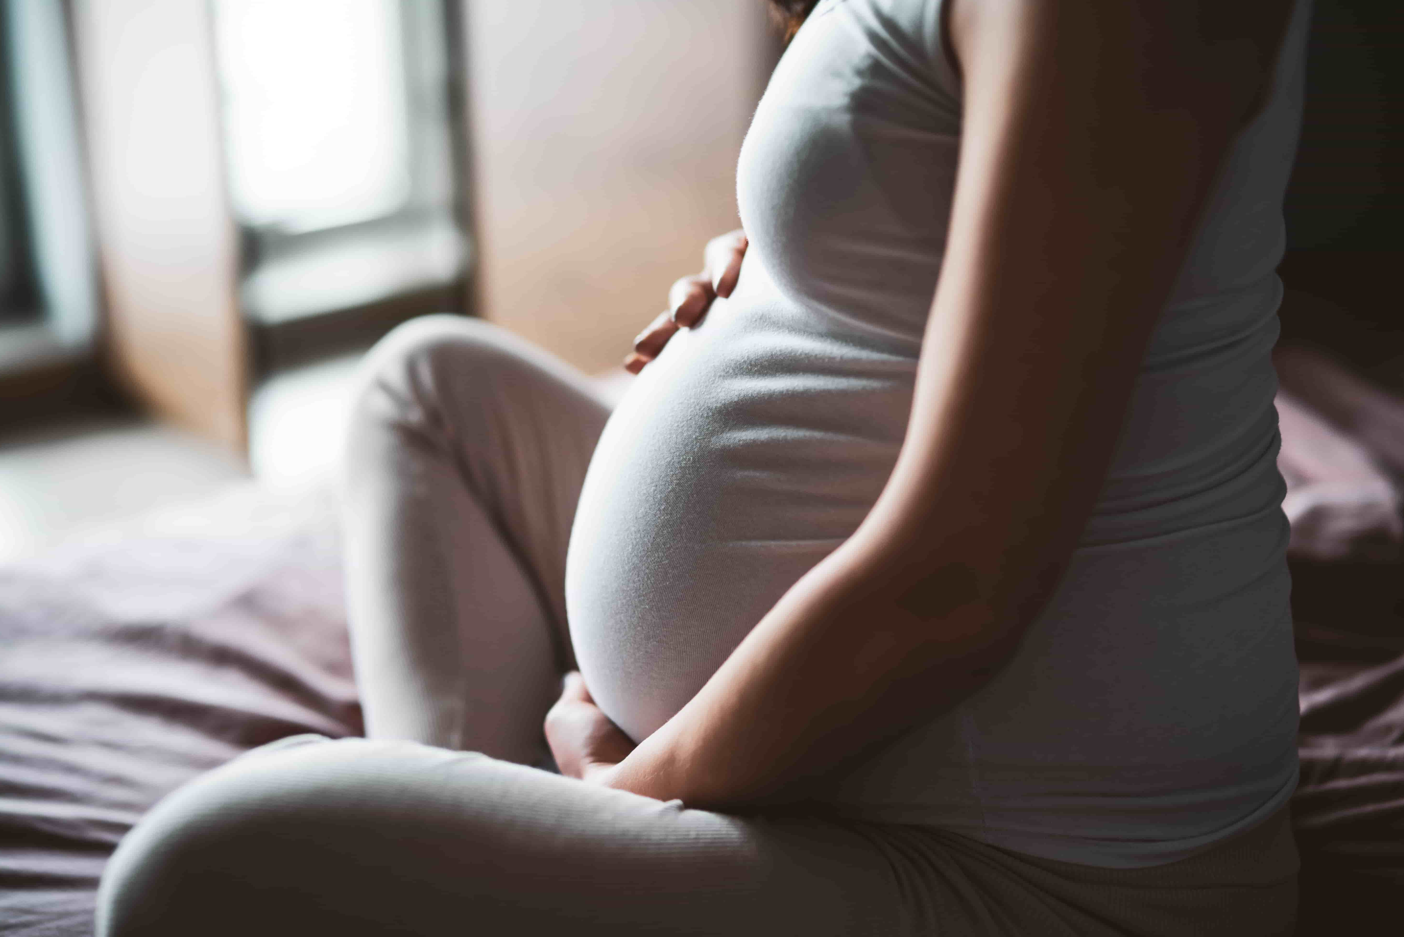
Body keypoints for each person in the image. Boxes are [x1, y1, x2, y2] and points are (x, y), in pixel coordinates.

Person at [95, 0, 1312, 933]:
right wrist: (792, 258)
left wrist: (618, 797)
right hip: (840, 762)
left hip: (1024, 868)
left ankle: (494, 851)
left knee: (188, 868)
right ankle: (472, 843)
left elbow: (957, 585)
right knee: (430, 392)